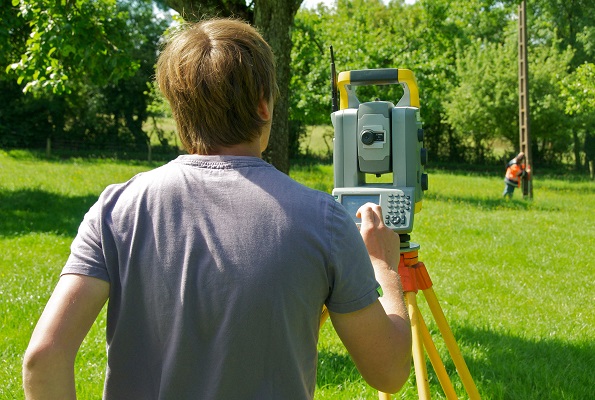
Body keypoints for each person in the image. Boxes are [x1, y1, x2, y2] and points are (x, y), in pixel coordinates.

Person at [22, 18, 411, 400]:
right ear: (263, 105)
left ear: (179, 109)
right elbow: (390, 373)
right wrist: (385, 270)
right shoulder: (323, 221)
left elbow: (43, 358)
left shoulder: (117, 208)